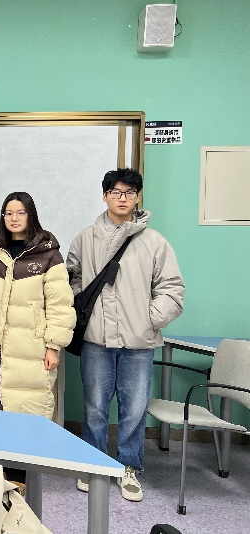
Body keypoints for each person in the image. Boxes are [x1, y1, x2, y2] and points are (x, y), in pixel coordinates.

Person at [67, 168, 184, 502]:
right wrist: (83, 310)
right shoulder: (85, 238)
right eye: (116, 192)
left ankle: (128, 467)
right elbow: (72, 278)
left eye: (129, 193)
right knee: (95, 407)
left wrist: (150, 319)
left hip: (138, 341)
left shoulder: (154, 241)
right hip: (96, 339)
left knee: (134, 409)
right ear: (105, 196)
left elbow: (172, 287)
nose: (122, 198)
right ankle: (94, 463)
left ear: (137, 197)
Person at [0, 191, 75, 491]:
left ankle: (19, 476)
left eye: (20, 213)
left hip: (31, 346)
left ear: (31, 215)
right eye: (8, 213)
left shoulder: (48, 254)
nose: (14, 218)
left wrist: (53, 345)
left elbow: (60, 305)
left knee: (25, 408)